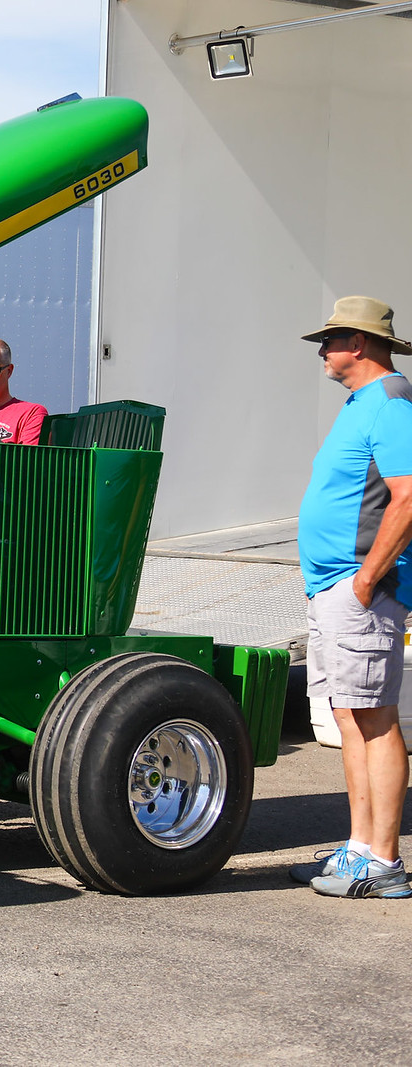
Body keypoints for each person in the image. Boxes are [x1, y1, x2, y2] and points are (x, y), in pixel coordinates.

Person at [291, 296, 412, 898]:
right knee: (349, 715)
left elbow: (408, 496)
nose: (322, 351)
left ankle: (384, 862)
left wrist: (366, 580)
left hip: (358, 588)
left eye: (329, 340)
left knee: (374, 717)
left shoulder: (391, 404)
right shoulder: (361, 403)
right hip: (334, 587)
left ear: (358, 344)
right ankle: (359, 849)